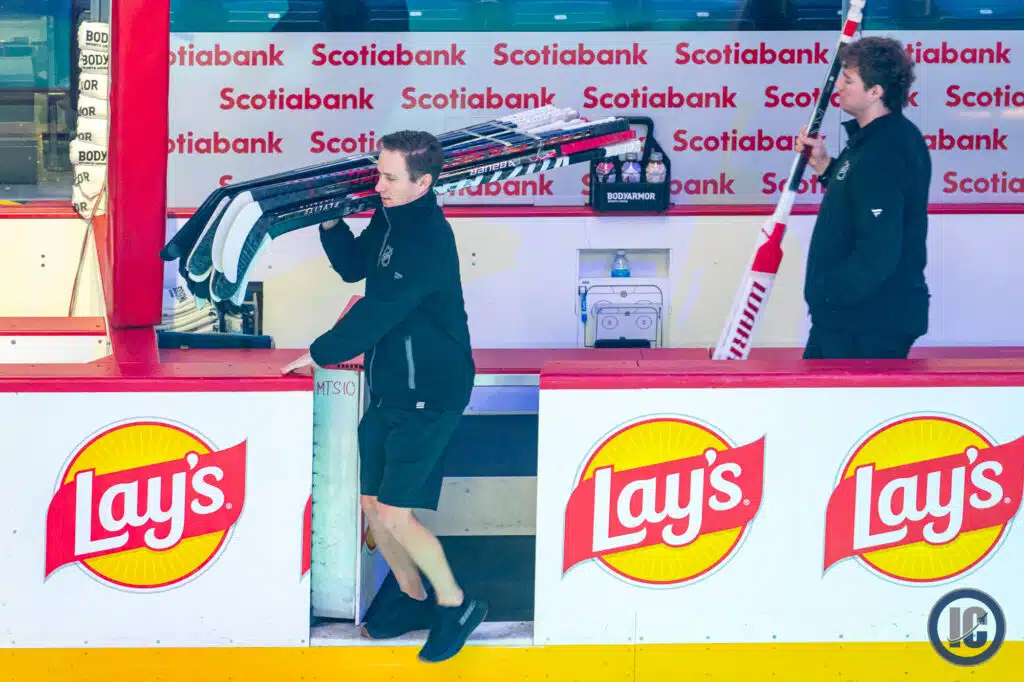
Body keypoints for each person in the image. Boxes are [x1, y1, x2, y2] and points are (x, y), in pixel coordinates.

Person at [281, 130, 486, 663]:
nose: (379, 186)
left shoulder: (428, 239)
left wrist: (321, 353)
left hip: (432, 392)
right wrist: (330, 222)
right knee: (372, 506)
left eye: (390, 178)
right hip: (393, 387)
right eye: (379, 174)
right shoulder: (390, 217)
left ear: (424, 182)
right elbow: (355, 267)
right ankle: (412, 597)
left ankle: (455, 603)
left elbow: (380, 310)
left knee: (394, 513)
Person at [795, 36, 931, 360]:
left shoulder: (885, 150)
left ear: (875, 92)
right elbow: (861, 198)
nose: (839, 86)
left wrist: (830, 296)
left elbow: (878, 250)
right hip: (849, 321)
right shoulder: (871, 141)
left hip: (865, 325)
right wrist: (825, 167)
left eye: (848, 79)